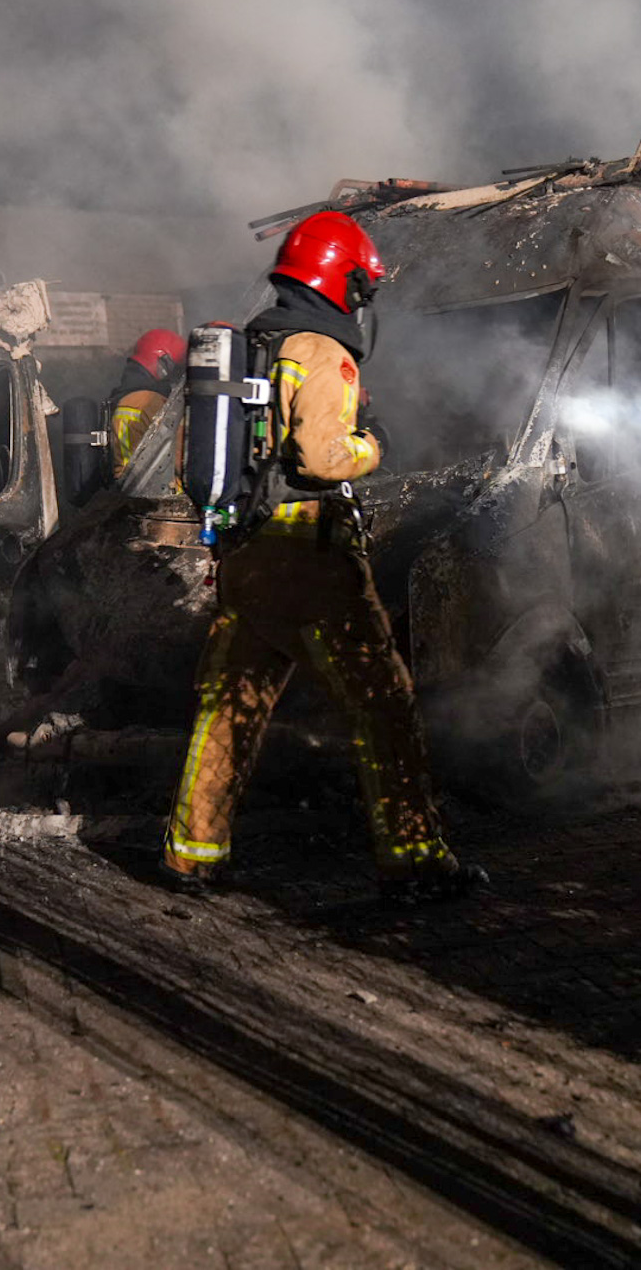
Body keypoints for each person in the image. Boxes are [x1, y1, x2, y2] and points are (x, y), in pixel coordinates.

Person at [161, 211, 486, 904]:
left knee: (227, 704)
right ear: (340, 278)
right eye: (361, 287)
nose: (363, 301)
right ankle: (415, 853)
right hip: (312, 551)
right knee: (383, 699)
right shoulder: (319, 350)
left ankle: (193, 853)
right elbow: (320, 455)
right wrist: (375, 447)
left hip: (248, 551)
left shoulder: (257, 341)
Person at [110, 328, 187, 478]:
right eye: (177, 370)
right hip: (154, 491)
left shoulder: (121, 398)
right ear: (164, 363)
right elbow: (182, 463)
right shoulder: (152, 403)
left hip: (124, 487)